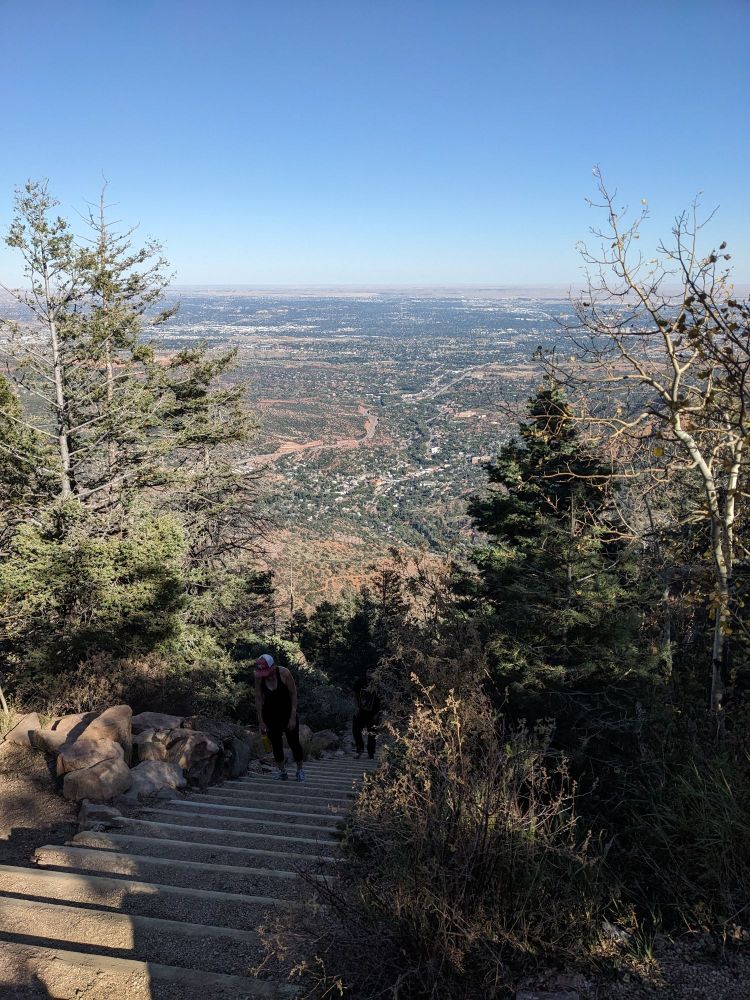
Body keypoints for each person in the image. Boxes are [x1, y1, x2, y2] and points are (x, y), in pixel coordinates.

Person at [254, 653, 305, 781]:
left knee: (294, 743)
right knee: (276, 745)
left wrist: (293, 716)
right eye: (262, 671)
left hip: (287, 713)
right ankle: (282, 771)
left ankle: (300, 770)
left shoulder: (284, 673)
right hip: (270, 715)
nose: (265, 674)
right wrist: (261, 721)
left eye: (266, 670)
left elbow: (293, 694)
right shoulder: (259, 676)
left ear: (273, 667)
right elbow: (259, 699)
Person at [352, 668, 381, 759]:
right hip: (361, 710)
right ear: (365, 672)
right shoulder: (360, 682)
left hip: (373, 712)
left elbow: (382, 700)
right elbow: (354, 694)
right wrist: (356, 707)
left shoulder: (379, 684)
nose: (370, 674)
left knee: (372, 732)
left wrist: (378, 713)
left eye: (372, 672)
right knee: (356, 730)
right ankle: (359, 748)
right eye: (368, 671)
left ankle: (371, 752)